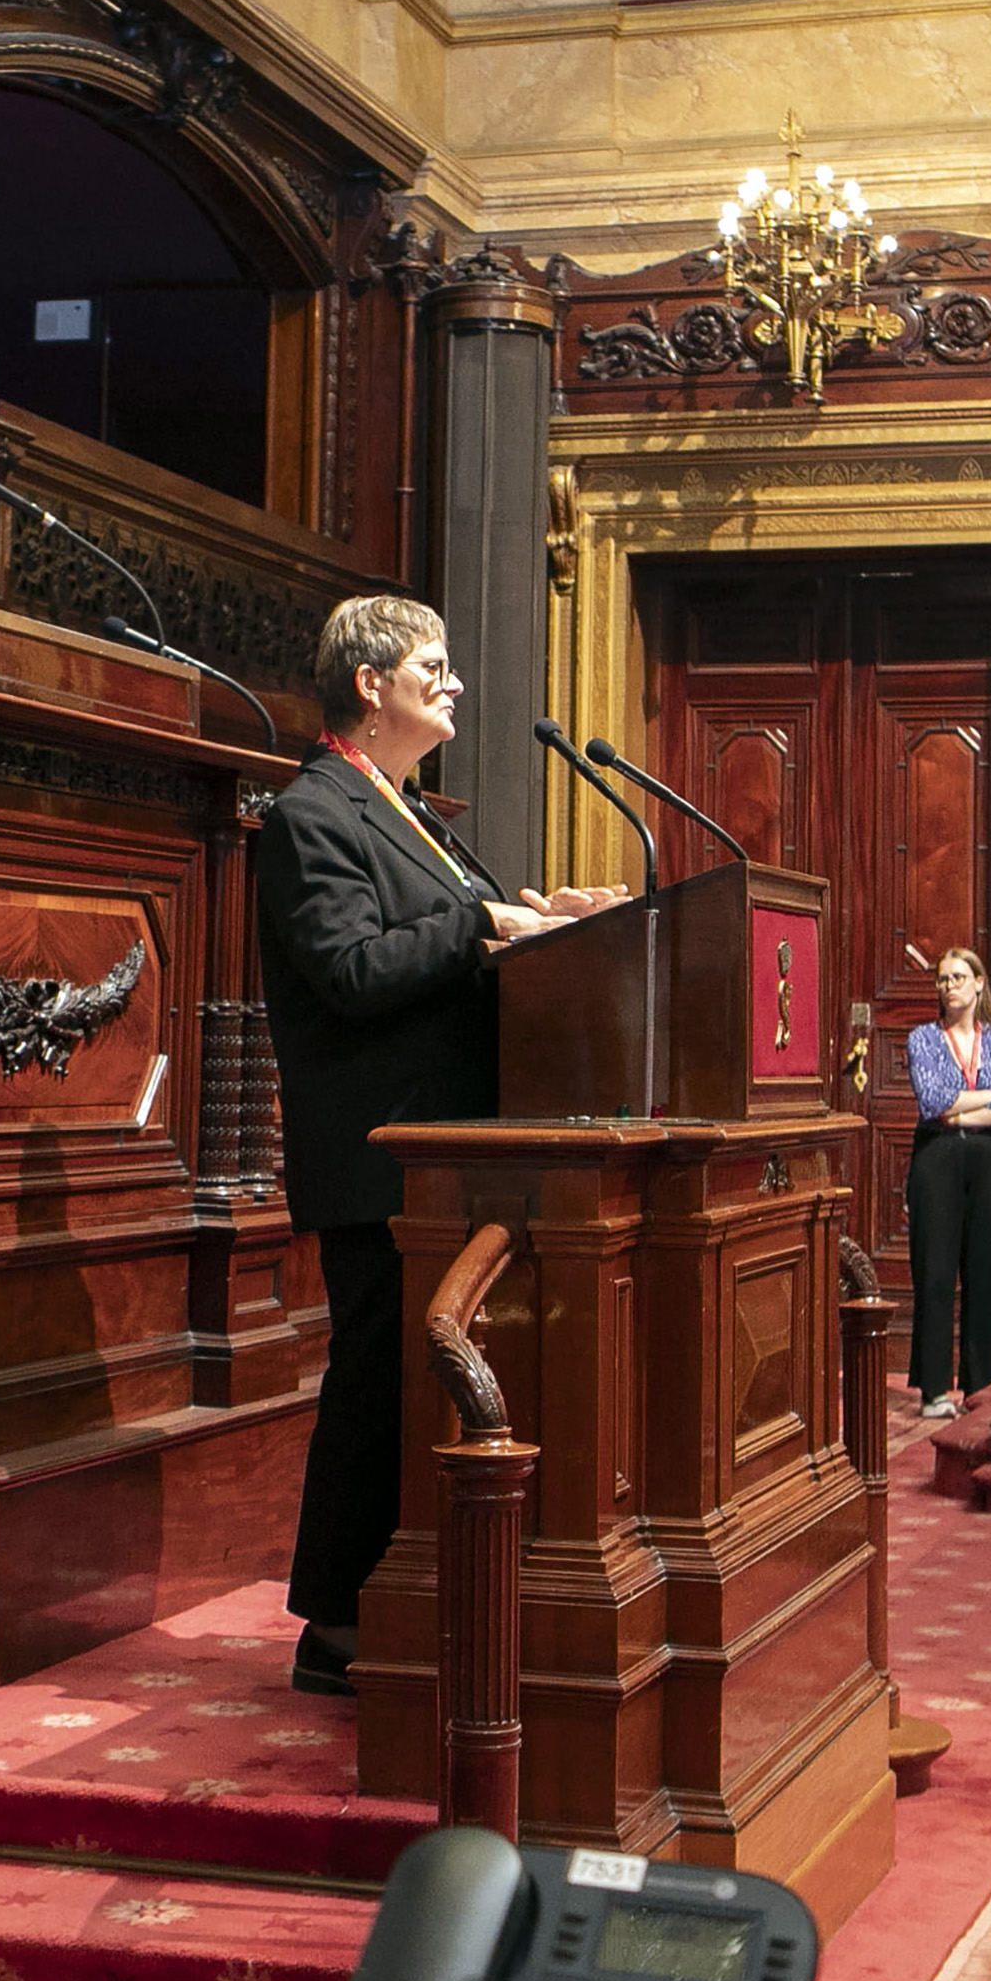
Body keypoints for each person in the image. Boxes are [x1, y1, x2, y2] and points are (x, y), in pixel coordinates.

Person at [255, 594, 624, 1696]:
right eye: (434, 663)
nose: (454, 681)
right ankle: (332, 1623)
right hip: (378, 1159)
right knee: (373, 1383)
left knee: (419, 1384)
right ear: (369, 684)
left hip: (450, 1153)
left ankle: (411, 1597)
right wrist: (482, 923)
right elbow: (351, 969)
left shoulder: (410, 810)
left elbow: (447, 938)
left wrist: (534, 914)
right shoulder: (309, 813)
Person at [904, 947, 991, 1420]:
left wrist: (963, 1105)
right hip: (937, 1158)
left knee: (986, 1274)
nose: (949, 986)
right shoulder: (923, 1039)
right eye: (942, 979)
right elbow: (933, 1102)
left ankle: (980, 1386)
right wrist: (987, 1096)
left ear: (979, 983)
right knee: (935, 1273)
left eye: (959, 977)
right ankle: (935, 1390)